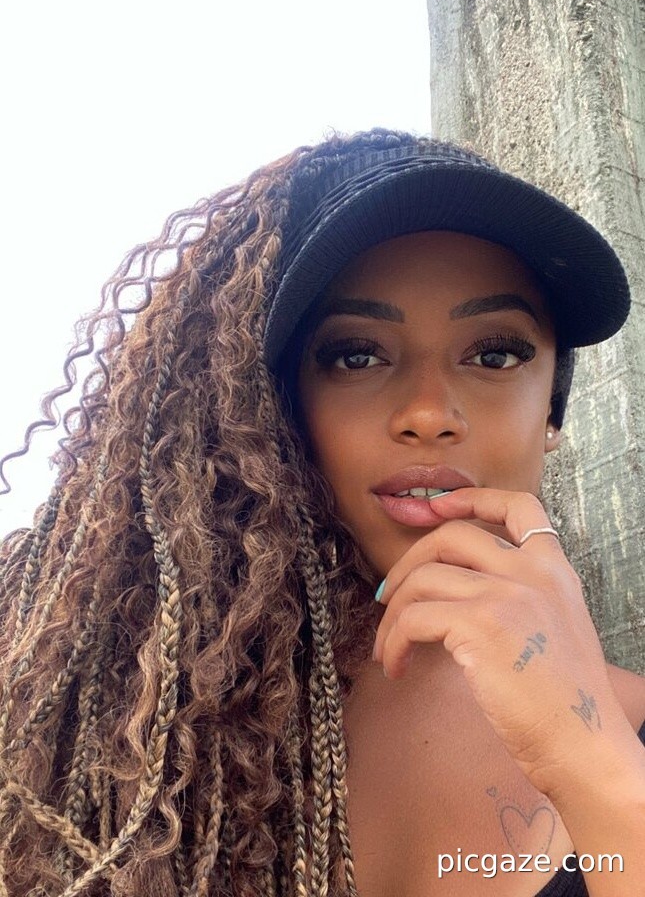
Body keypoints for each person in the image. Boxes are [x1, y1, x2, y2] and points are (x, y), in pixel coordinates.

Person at [0, 128, 643, 897]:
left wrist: (592, 763)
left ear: (551, 413)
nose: (428, 413)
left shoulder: (627, 731)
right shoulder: (123, 723)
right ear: (273, 409)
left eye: (494, 354)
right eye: (355, 355)